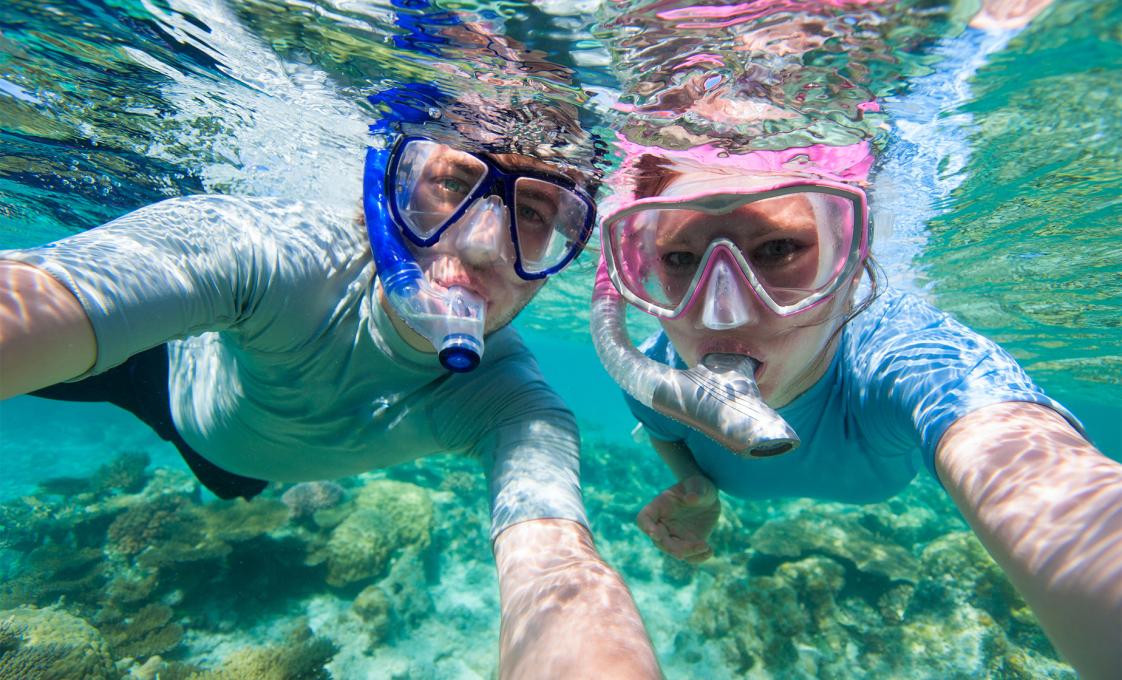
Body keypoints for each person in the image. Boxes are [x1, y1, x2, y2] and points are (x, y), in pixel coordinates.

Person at [0, 20, 663, 680]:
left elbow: (555, 569)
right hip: (156, 374)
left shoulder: (512, 403)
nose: (484, 246)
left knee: (235, 482)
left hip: (240, 467)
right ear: (387, 189)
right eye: (453, 185)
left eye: (535, 215)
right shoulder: (265, 257)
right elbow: (42, 295)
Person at [588, 1, 1121, 679]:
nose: (719, 317)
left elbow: (1028, 466)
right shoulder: (654, 375)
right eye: (681, 259)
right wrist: (696, 492)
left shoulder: (905, 359)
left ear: (852, 260)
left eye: (778, 248)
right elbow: (662, 427)